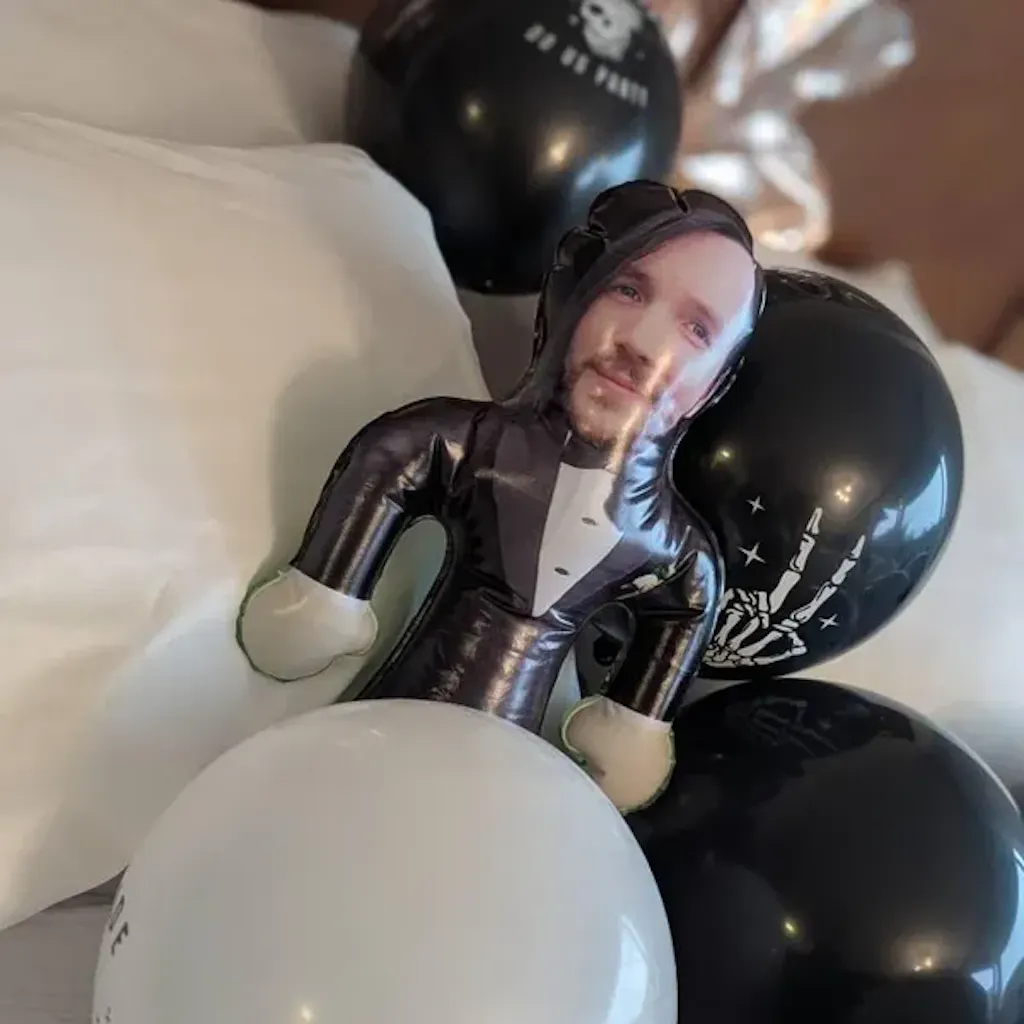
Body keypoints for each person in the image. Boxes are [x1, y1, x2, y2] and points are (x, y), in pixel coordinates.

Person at [237, 180, 764, 811]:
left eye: (697, 330)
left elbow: (686, 608)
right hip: (371, 750)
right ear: (573, 298)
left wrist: (633, 724)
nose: (643, 345)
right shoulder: (470, 445)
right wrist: (327, 593)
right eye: (627, 290)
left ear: (712, 387)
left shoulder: (672, 548)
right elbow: (392, 456)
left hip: (504, 796)